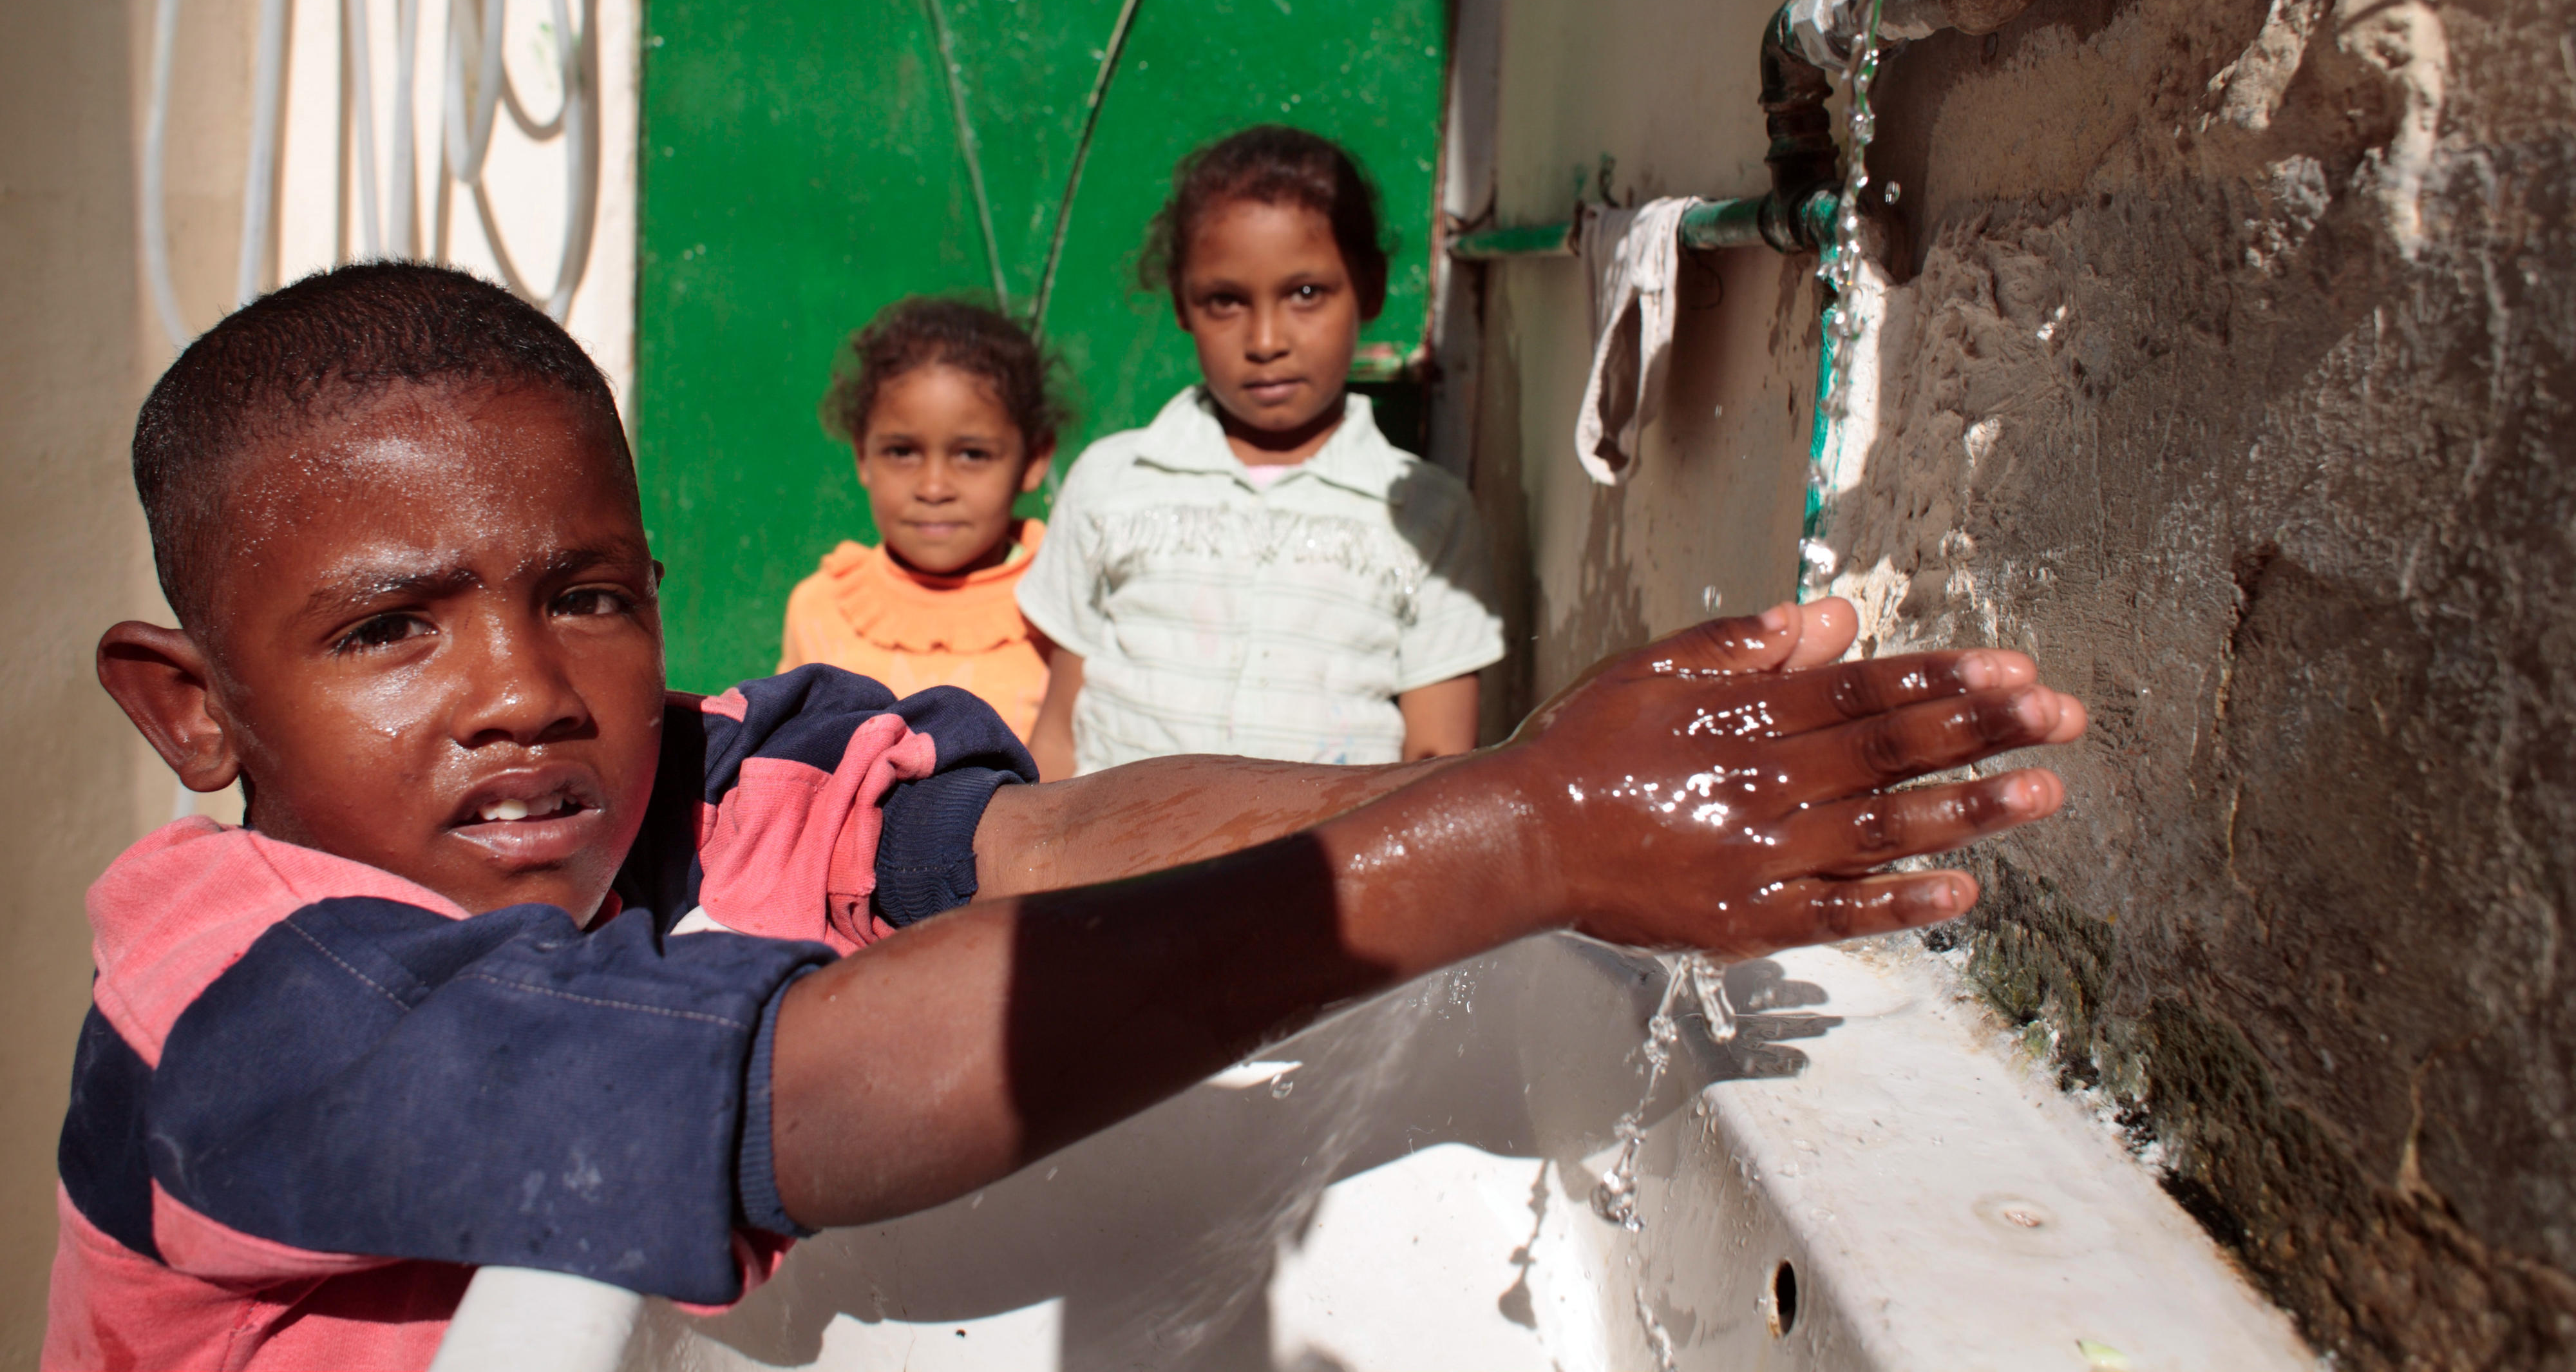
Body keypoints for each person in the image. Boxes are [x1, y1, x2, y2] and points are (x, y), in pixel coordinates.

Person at [51, 261, 2086, 1369]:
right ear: (196, 710)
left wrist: (1516, 786)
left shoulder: (704, 770)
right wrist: (1521, 842)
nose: (522, 685)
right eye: (391, 628)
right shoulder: (239, 1013)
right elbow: (786, 1097)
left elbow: (1039, 847)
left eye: (587, 593)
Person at [1019, 127, 1501, 781]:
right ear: (1184, 306)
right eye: (1225, 301)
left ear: (1370, 288)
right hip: (1116, 876)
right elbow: (1058, 736)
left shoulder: (1426, 516)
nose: (1266, 339)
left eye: (1306, 293)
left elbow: (1436, 768)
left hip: (1322, 875)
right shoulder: (1113, 483)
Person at [778, 297, 1063, 742]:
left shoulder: (1060, 610)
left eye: (972, 455)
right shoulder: (821, 609)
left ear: (1034, 459)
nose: (933, 488)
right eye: (902, 452)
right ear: (862, 456)